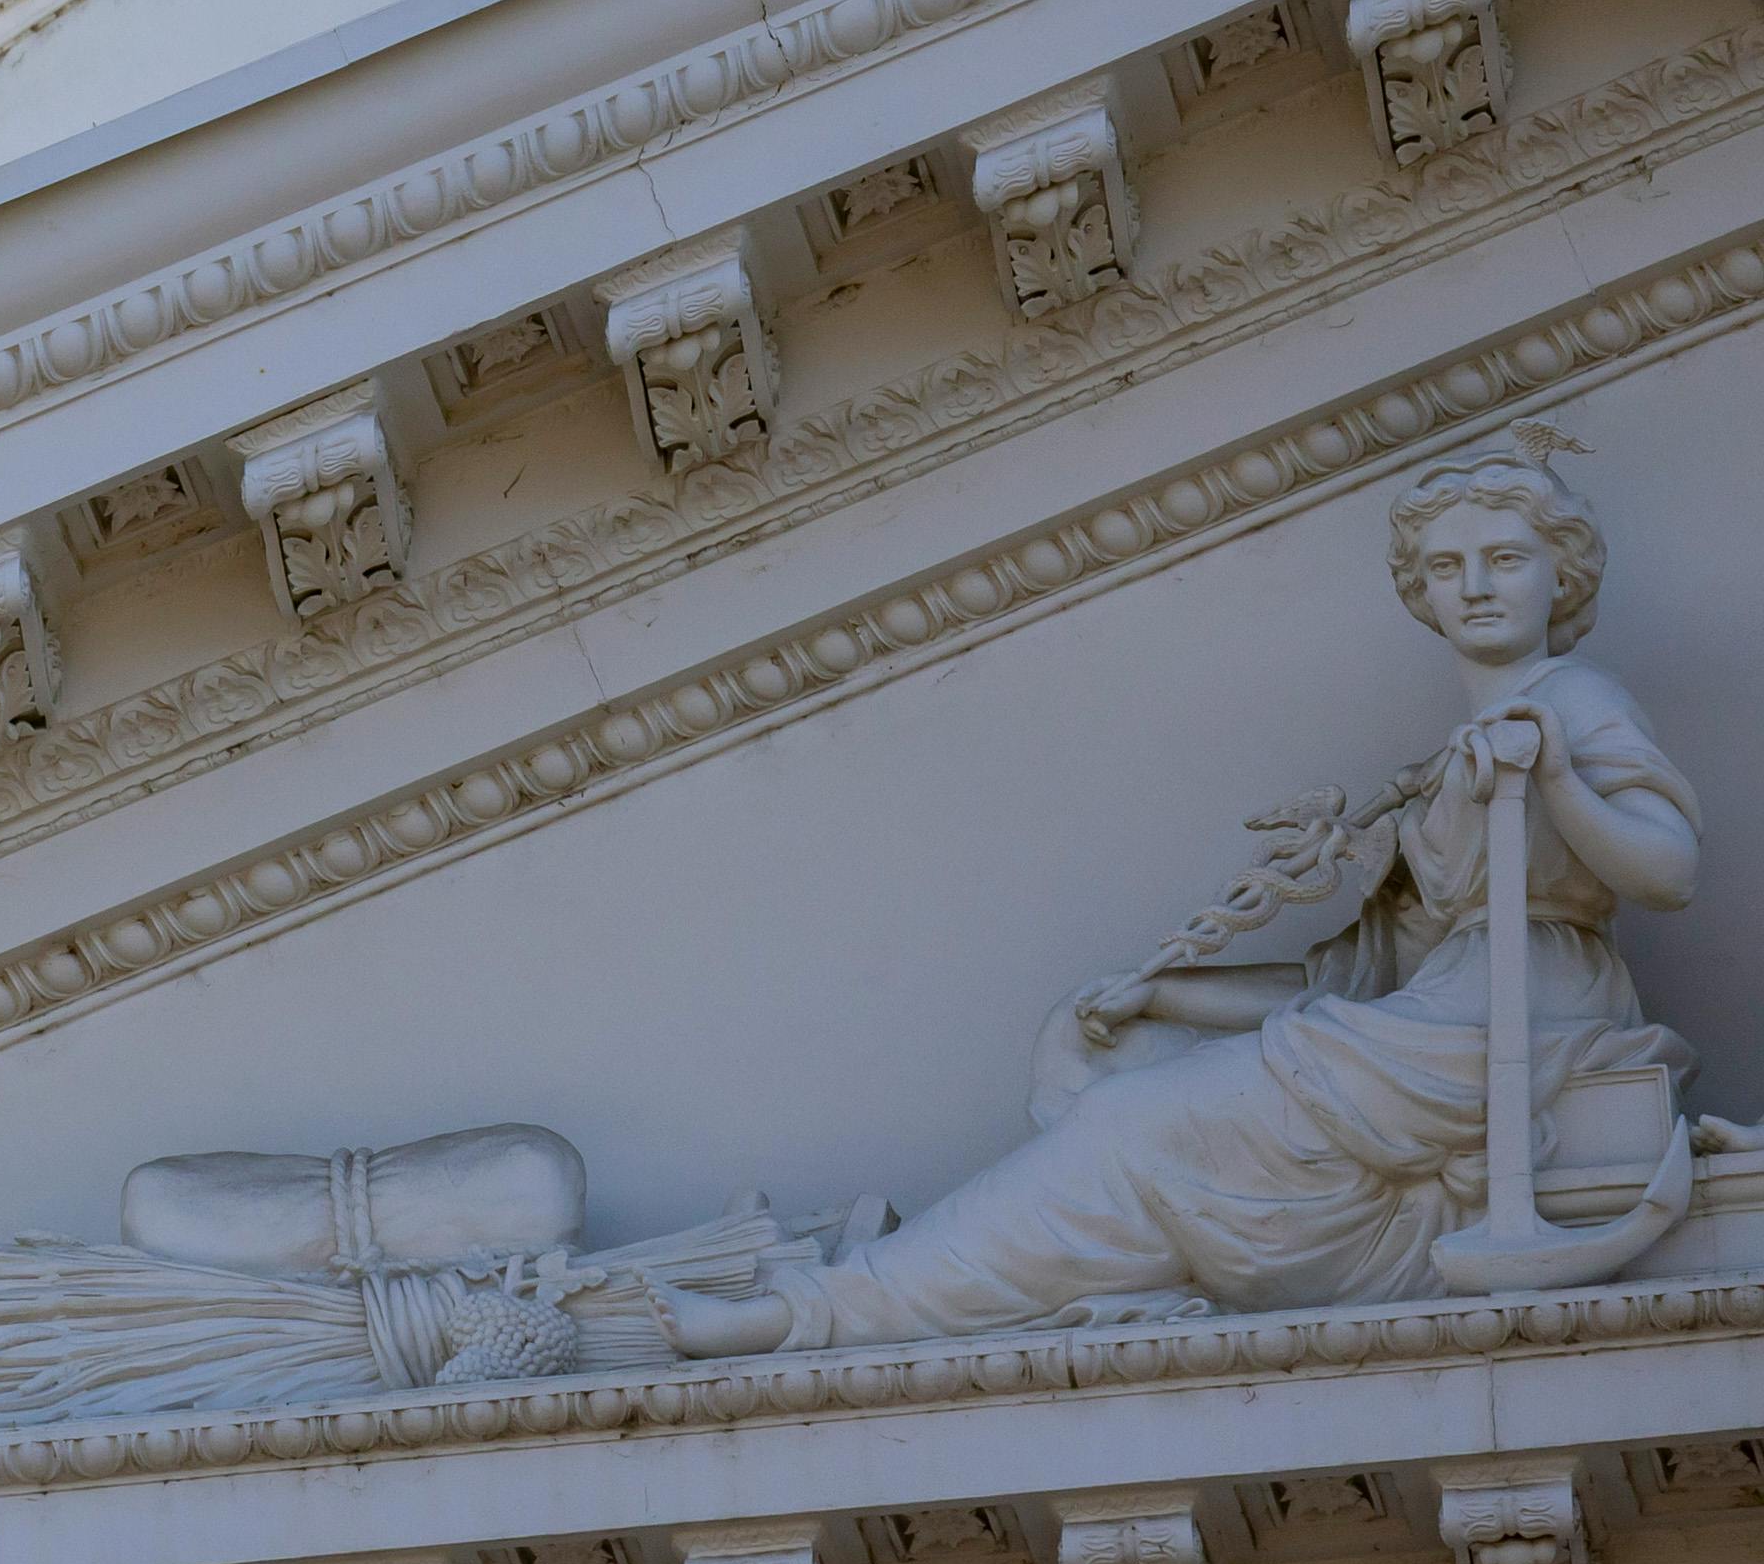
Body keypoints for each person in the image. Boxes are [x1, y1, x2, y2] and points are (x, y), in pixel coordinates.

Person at [669, 442, 1698, 1351]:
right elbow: (1341, 984)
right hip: (1431, 1025)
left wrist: (1556, 773)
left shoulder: (1574, 703)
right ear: (1419, 593)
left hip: (1532, 1016)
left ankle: (829, 1312)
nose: (1475, 586)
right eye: (1446, 566)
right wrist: (1163, 996)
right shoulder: (1441, 772)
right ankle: (857, 1305)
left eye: (1505, 560)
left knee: (1131, 1126)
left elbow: (1668, 872)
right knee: (1134, 1089)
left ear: (1561, 576)